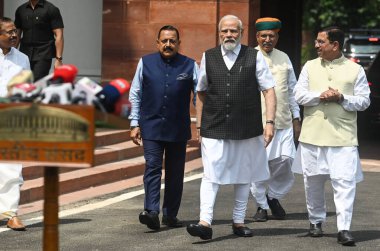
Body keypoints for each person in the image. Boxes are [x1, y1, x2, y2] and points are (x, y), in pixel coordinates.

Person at [186, 15, 276, 240]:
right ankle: (205, 222)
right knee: (211, 174)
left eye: (233, 31)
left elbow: (269, 91)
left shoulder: (254, 56)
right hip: (214, 126)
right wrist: (199, 124)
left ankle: (238, 221)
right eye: (224, 31)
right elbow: (201, 91)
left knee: (243, 176)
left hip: (247, 127)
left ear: (241, 33)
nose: (229, 35)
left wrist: (270, 123)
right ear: (219, 33)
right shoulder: (209, 56)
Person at [292, 26, 370, 246]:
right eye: (317, 41)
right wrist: (321, 95)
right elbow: (298, 94)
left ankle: (344, 228)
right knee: (312, 182)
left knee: (344, 183)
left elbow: (364, 101)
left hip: (343, 136)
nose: (316, 45)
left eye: (320, 42)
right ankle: (315, 221)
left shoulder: (355, 70)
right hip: (312, 135)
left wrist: (341, 97)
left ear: (335, 45)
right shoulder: (309, 66)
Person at [128, 25, 199, 231]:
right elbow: (135, 94)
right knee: (152, 166)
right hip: (150, 125)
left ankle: (170, 215)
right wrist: (134, 123)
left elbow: (200, 96)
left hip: (177, 127)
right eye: (164, 41)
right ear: (157, 42)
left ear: (178, 43)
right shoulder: (145, 62)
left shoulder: (190, 65)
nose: (168, 44)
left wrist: (204, 122)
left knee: (175, 173)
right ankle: (151, 212)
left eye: (172, 41)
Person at [249, 17, 301, 222]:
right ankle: (261, 205)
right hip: (258, 123)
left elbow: (292, 90)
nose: (267, 39)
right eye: (263, 36)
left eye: (271, 36)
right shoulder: (249, 57)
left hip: (284, 121)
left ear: (277, 37)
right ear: (257, 37)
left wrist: (297, 117)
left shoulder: (284, 58)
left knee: (286, 161)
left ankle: (272, 196)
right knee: (259, 165)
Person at [0, 17, 30, 231]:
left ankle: (11, 213)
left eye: (15, 31)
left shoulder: (22, 59)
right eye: (9, 32)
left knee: (12, 167)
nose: (13, 35)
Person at [15, 0, 64, 81]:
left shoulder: (51, 9)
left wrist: (58, 59)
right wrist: (11, 53)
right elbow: (17, 35)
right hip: (24, 53)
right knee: (23, 81)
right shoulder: (21, 10)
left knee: (38, 80)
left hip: (44, 52)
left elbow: (59, 35)